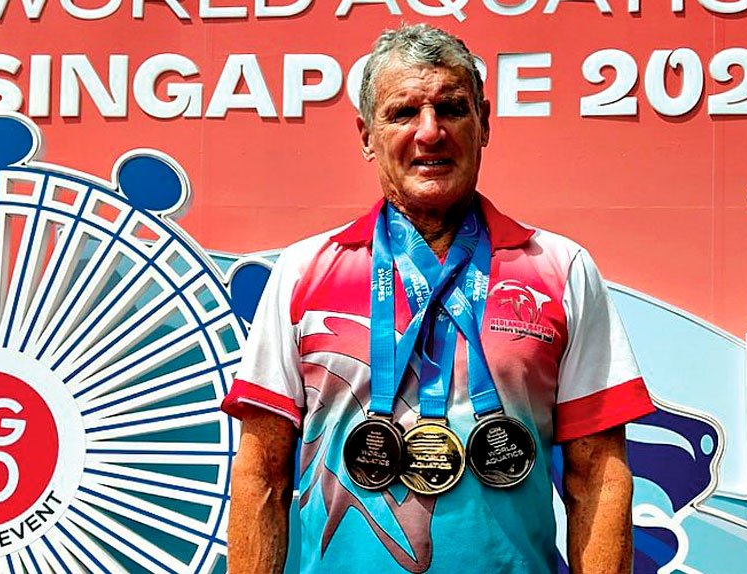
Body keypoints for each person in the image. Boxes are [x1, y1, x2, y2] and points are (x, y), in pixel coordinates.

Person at [221, 23, 655, 574]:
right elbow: (263, 472)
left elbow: (597, 475)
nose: (430, 132)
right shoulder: (303, 270)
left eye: (451, 108)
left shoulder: (561, 268)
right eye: (403, 113)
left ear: (484, 123)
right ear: (366, 135)